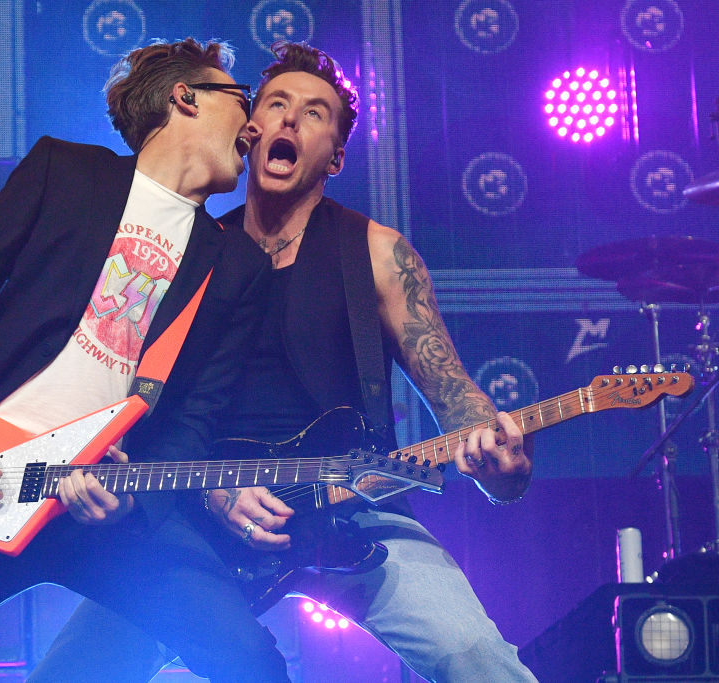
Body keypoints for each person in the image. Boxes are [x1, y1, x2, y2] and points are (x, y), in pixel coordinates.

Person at [28, 41, 538, 682]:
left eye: (315, 112)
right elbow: (146, 412)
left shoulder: (377, 253)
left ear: (336, 156)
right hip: (201, 514)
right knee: (68, 673)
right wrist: (213, 489)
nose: (291, 119)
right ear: (250, 130)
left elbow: (455, 394)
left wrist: (502, 465)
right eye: (275, 104)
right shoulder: (190, 252)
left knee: (476, 658)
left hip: (353, 506)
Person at [0, 38, 292, 682]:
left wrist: (130, 497)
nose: (255, 124)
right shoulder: (65, 171)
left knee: (252, 662)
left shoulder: (236, 265)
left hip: (102, 508)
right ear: (185, 97)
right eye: (242, 99)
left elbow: (196, 418)